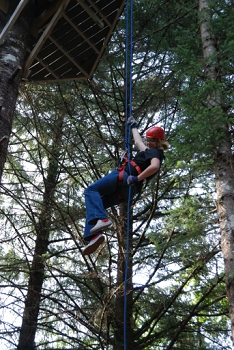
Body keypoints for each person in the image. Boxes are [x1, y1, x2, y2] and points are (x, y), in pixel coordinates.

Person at [82, 117, 169, 255]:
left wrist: (137, 178)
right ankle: (95, 236)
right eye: (148, 139)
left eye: (152, 140)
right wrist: (133, 126)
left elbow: (154, 166)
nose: (148, 142)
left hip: (125, 176)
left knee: (91, 191)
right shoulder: (147, 151)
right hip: (127, 190)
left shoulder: (155, 152)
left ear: (159, 142)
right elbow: (138, 141)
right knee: (98, 203)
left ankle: (102, 219)